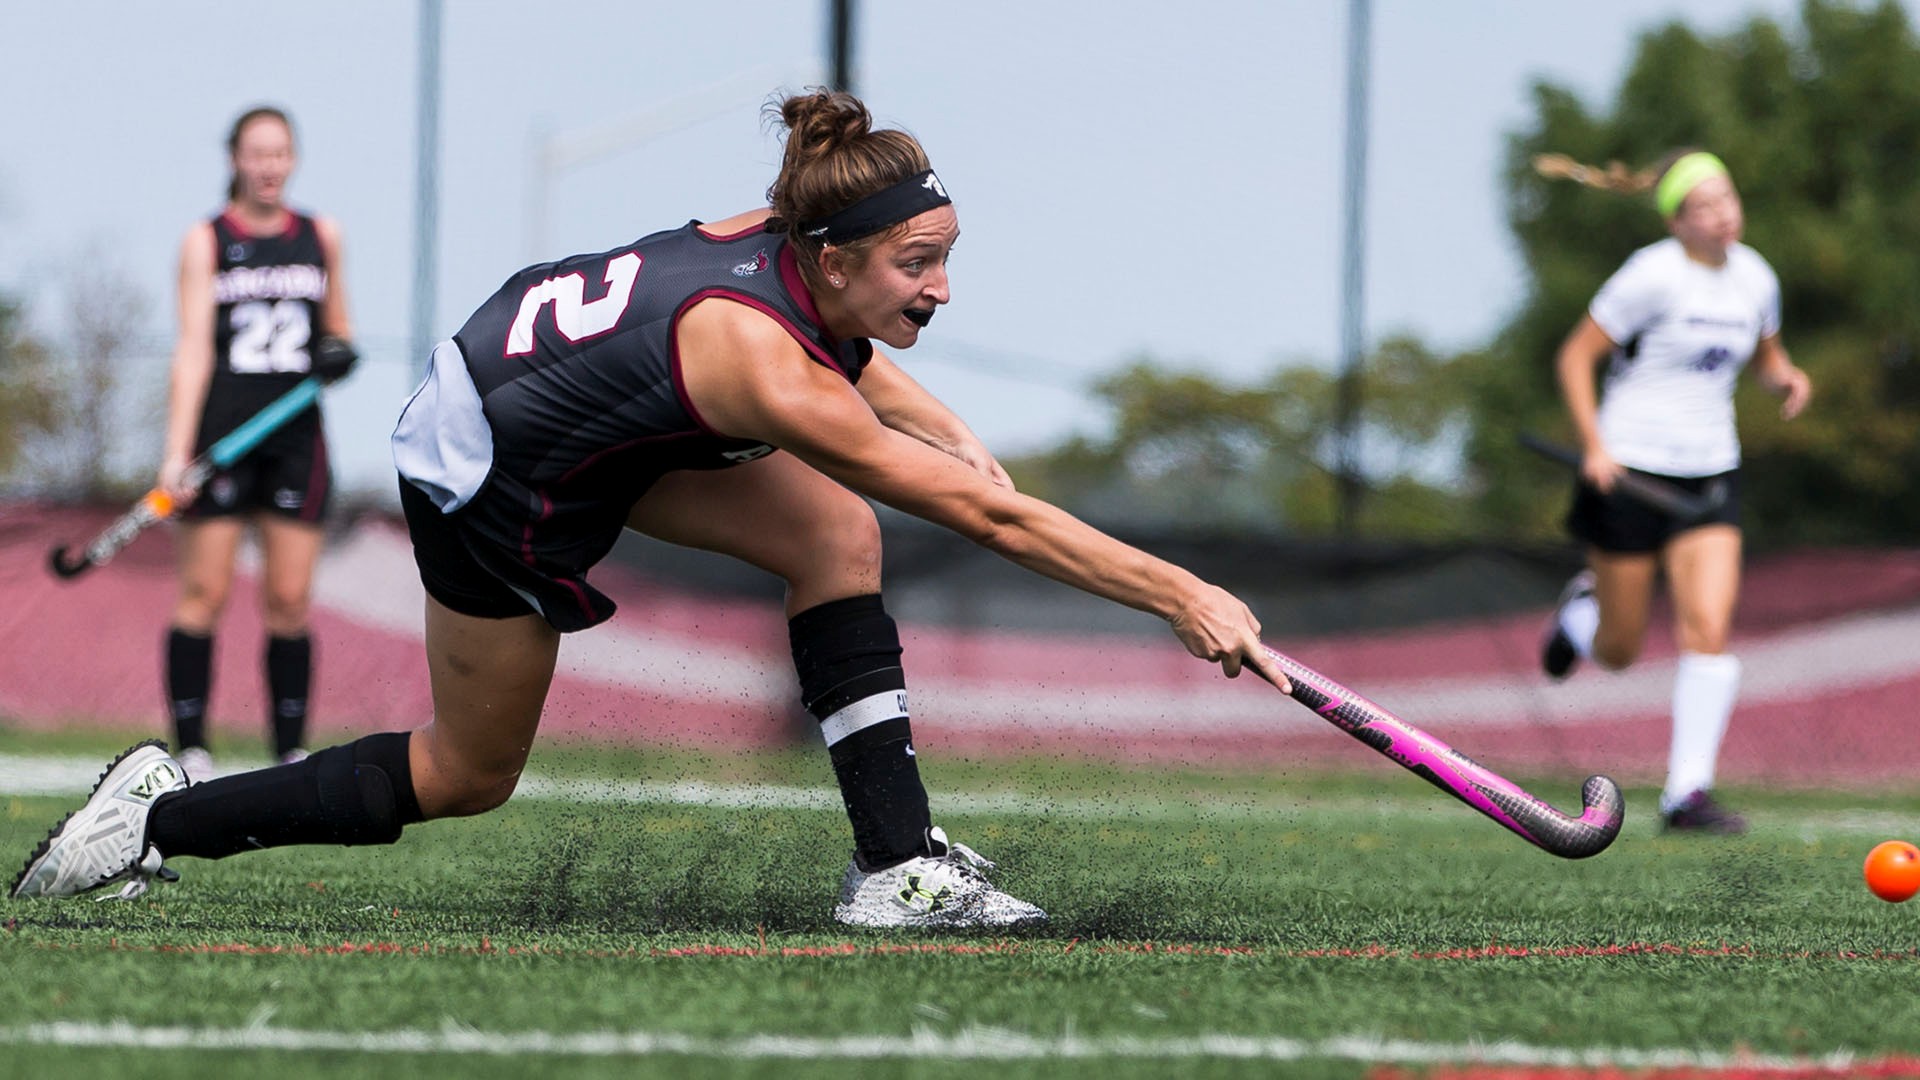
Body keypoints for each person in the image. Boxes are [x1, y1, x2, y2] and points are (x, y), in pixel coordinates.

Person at [11, 89, 1285, 928]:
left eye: (945, 256)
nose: (942, 288)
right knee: (465, 774)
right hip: (489, 470)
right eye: (919, 264)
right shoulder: (758, 364)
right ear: (835, 257)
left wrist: (945, 423)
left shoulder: (789, 236)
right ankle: (154, 820)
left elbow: (844, 345)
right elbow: (986, 520)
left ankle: (897, 868)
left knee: (832, 535)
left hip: (581, 415)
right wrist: (1182, 595)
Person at [1535, 150, 1812, 834]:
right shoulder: (1650, 275)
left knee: (1709, 630)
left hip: (1710, 473)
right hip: (1629, 472)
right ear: (1676, 221)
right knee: (1619, 650)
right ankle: (1578, 618)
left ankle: (1686, 795)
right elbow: (1575, 357)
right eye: (1705, 206)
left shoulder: (1756, 277)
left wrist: (1785, 378)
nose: (1723, 215)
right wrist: (1595, 446)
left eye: (1728, 198)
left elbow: (1766, 357)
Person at [157, 106, 357, 782]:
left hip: (295, 438)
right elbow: (192, 349)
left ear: (293, 159)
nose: (269, 166)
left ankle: (290, 753)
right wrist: (177, 452)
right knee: (204, 592)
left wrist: (340, 351)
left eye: (280, 153)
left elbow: (340, 327)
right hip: (222, 436)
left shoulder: (321, 235)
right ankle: (191, 750)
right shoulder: (206, 240)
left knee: (290, 599)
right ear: (235, 160)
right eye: (257, 153)